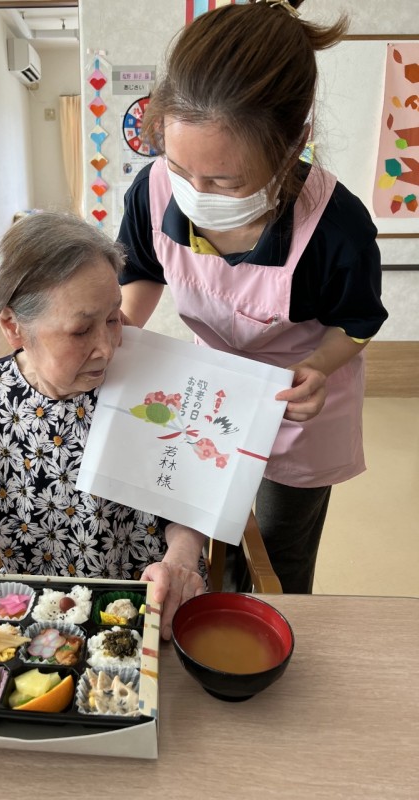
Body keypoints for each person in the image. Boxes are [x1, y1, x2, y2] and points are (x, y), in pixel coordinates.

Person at [118, 0, 388, 593]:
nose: (194, 192)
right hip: (209, 395)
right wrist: (121, 331)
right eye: (179, 167)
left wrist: (318, 367)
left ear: (295, 145)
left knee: (277, 559)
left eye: (224, 181)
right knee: (200, 529)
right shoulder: (153, 191)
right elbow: (141, 270)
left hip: (299, 412)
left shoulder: (336, 228)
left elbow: (358, 321)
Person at [0, 212, 205, 637]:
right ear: (14, 327)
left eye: (113, 318)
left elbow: (186, 501)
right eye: (81, 330)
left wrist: (181, 559)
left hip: (152, 604)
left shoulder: (149, 379)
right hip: (36, 621)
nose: (107, 348)